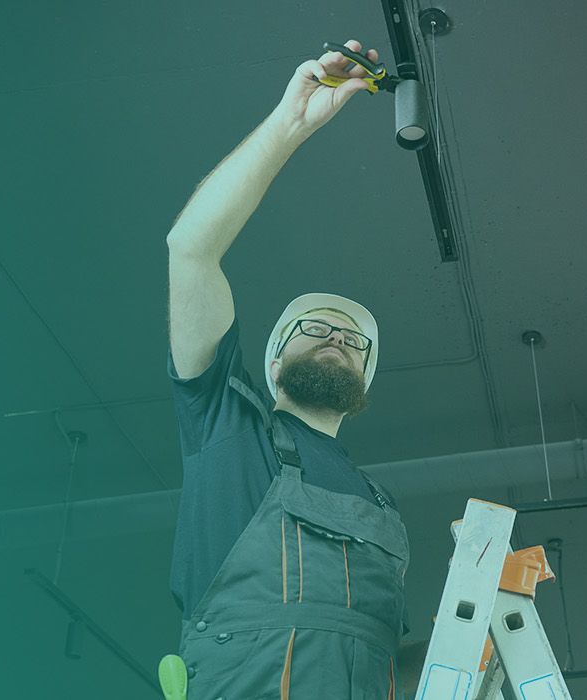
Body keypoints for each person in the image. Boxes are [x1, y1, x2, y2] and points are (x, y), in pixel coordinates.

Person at [165, 39, 421, 700]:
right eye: (315, 327)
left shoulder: (381, 505)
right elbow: (191, 250)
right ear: (273, 360)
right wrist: (291, 126)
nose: (337, 336)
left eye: (353, 339)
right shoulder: (224, 421)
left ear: (364, 379)